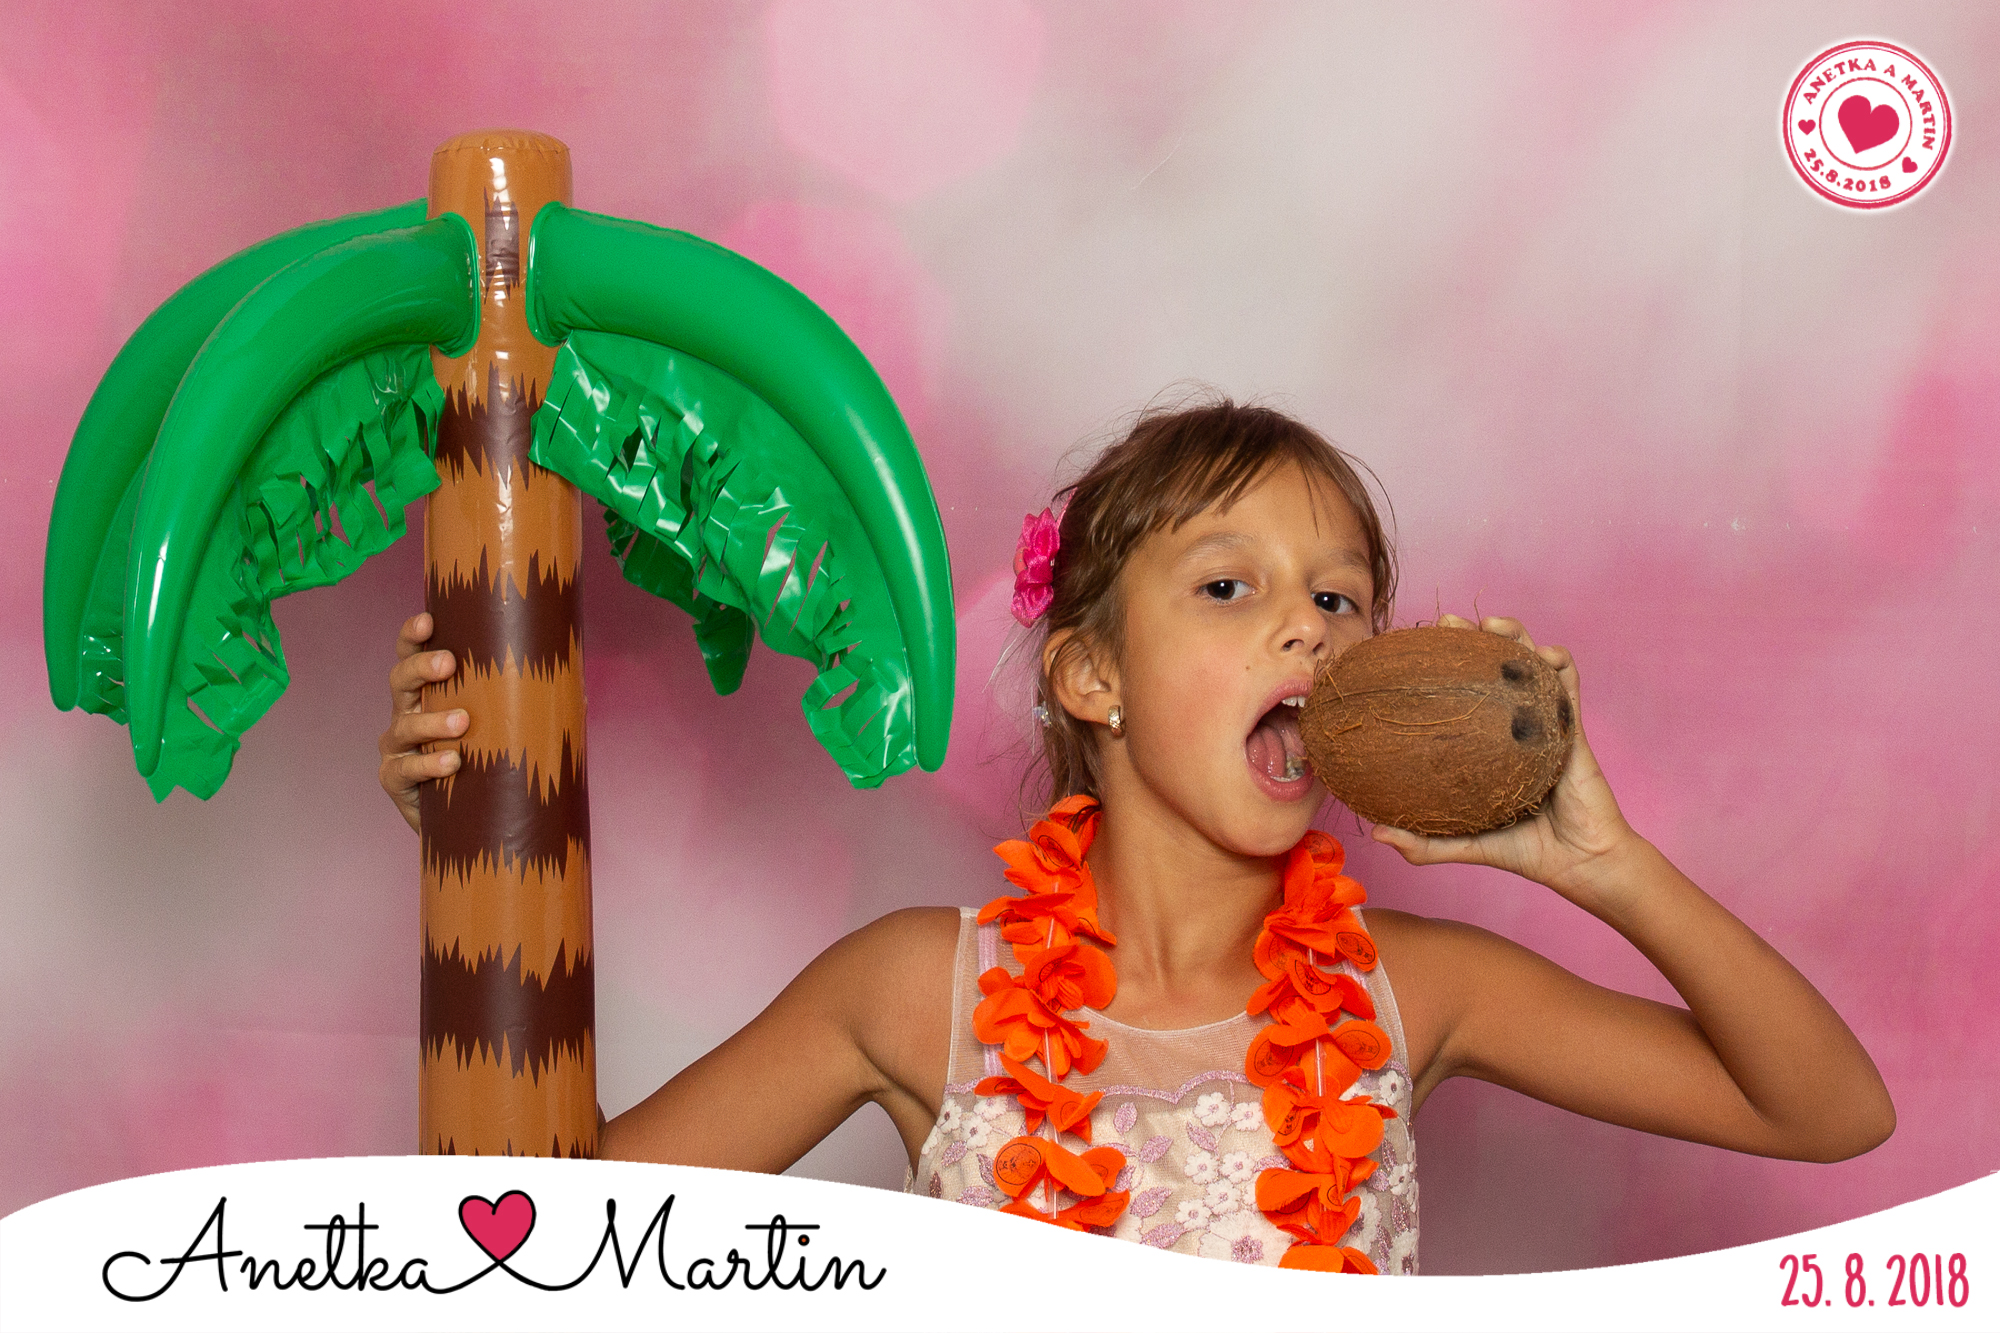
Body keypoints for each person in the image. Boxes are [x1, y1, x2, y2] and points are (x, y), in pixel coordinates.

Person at [377, 397, 1893, 1273]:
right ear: (1091, 676)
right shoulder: (916, 992)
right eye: (1229, 588)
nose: (1307, 625)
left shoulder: (1411, 990)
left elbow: (1828, 1110)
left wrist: (1601, 864)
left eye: (1341, 597)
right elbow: (538, 1247)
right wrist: (471, 857)